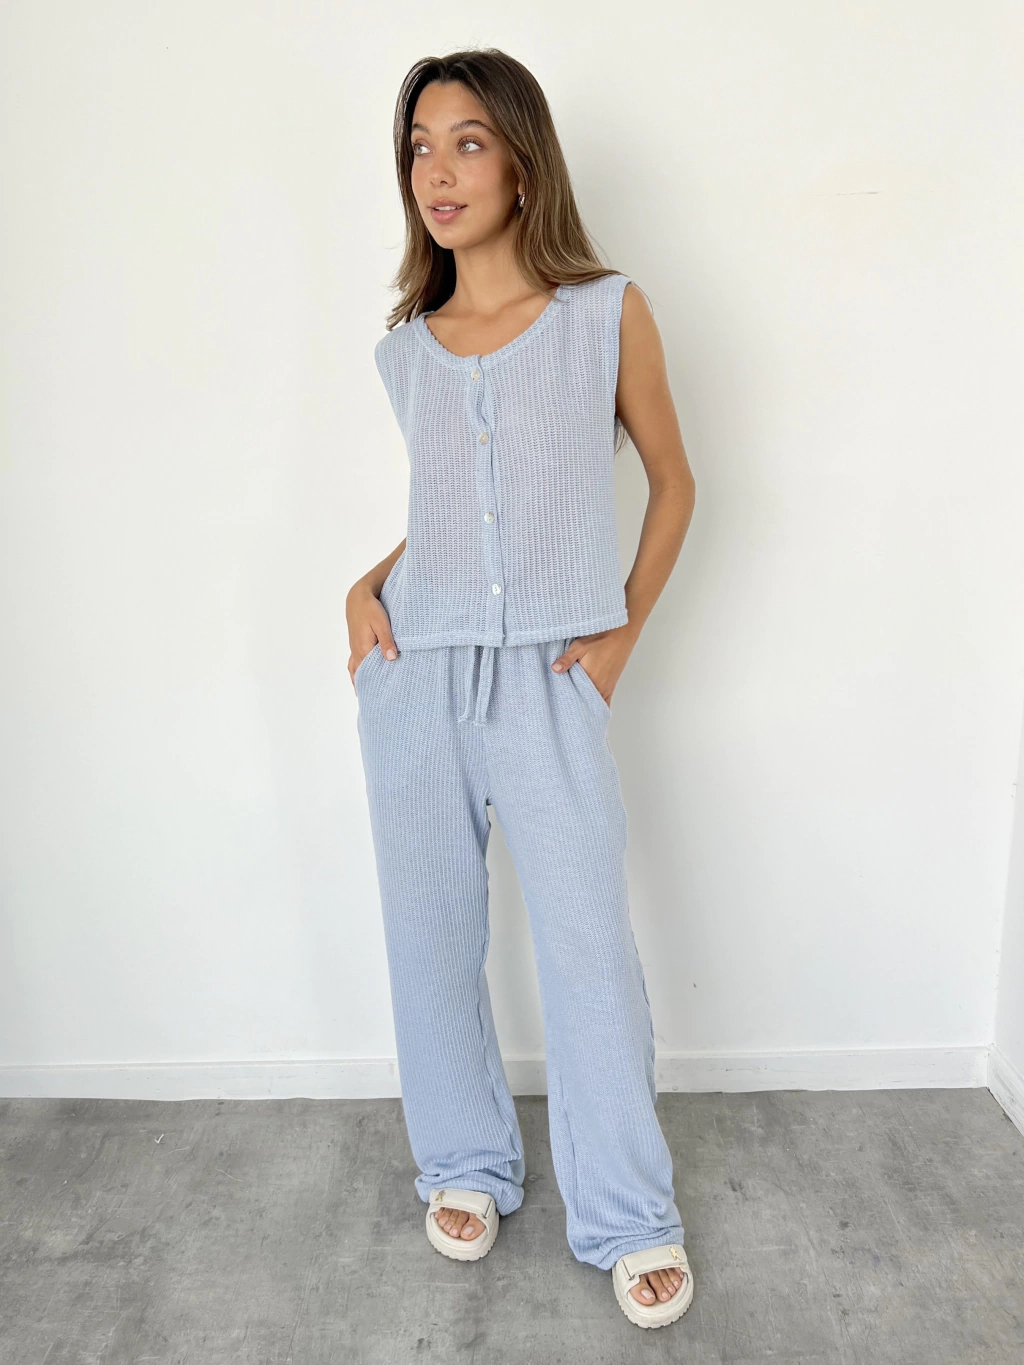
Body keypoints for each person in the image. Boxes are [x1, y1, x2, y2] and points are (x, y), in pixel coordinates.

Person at [348, 48, 696, 1330]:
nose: (437, 172)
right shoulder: (405, 350)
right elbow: (454, 516)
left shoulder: (605, 315)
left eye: (468, 143)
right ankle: (463, 1161)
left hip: (554, 676)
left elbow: (674, 483)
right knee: (429, 933)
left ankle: (629, 1213)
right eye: (420, 147)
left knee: (587, 947)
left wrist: (617, 641)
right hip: (415, 671)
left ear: (523, 162)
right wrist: (364, 585)